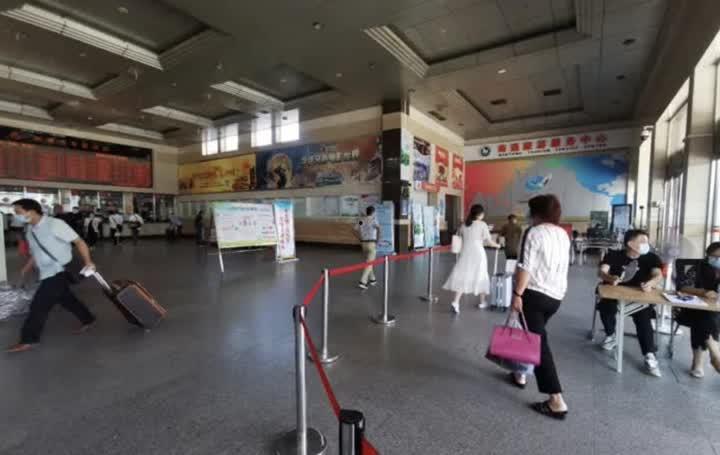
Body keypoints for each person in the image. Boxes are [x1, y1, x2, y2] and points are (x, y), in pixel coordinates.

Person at [6, 199, 96, 353]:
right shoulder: (30, 229)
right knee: (66, 298)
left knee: (38, 305)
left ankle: (29, 339)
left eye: (18, 212)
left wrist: (88, 262)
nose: (16, 215)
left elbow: (79, 242)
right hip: (45, 272)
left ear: (31, 211)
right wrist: (26, 267)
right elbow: (36, 251)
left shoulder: (55, 224)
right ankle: (88, 318)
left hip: (60, 270)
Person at [510, 194, 570, 419]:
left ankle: (556, 400)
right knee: (531, 336)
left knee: (538, 345)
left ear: (536, 213)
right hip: (555, 296)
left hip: (534, 295)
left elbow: (526, 267)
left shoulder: (533, 232)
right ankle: (520, 373)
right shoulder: (562, 234)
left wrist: (517, 294)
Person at [597, 229, 664, 377]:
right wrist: (610, 278)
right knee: (606, 306)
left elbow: (658, 275)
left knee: (644, 316)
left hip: (638, 295)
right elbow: (602, 272)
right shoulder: (613, 255)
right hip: (614, 293)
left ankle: (649, 355)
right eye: (642, 241)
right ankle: (611, 335)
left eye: (647, 241)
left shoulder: (651, 257)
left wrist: (651, 283)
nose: (646, 244)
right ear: (630, 243)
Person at [442, 204, 500, 314]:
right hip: (478, 254)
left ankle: (455, 302)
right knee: (481, 275)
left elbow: (461, 236)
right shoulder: (482, 224)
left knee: (463, 275)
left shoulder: (464, 225)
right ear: (480, 214)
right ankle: (482, 302)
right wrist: (497, 245)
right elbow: (488, 241)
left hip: (465, 253)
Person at [677, 242, 720, 378]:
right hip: (692, 308)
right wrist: (703, 292)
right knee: (704, 315)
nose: (718, 260)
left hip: (716, 311)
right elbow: (683, 287)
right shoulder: (699, 267)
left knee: (707, 317)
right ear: (708, 256)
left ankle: (698, 362)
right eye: (715, 256)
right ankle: (715, 354)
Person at [355, 206, 381, 290]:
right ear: (373, 212)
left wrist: (359, 238)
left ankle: (372, 279)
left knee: (369, 261)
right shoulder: (373, 219)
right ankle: (363, 281)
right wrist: (378, 240)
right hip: (371, 243)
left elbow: (354, 230)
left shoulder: (361, 220)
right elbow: (379, 229)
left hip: (363, 244)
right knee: (369, 263)